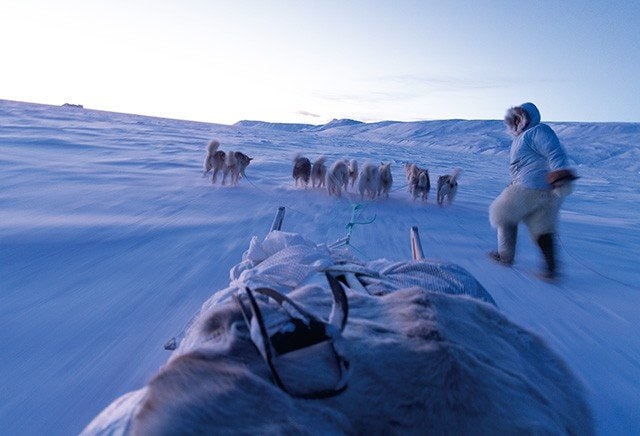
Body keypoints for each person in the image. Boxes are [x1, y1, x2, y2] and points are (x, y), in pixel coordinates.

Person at [489, 102, 578, 280]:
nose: (515, 122)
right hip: (547, 192)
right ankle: (550, 270)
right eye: (513, 119)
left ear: (527, 118)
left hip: (529, 188)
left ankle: (505, 256)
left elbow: (555, 152)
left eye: (518, 118)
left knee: (502, 213)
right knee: (542, 228)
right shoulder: (524, 137)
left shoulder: (536, 131)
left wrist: (560, 174)